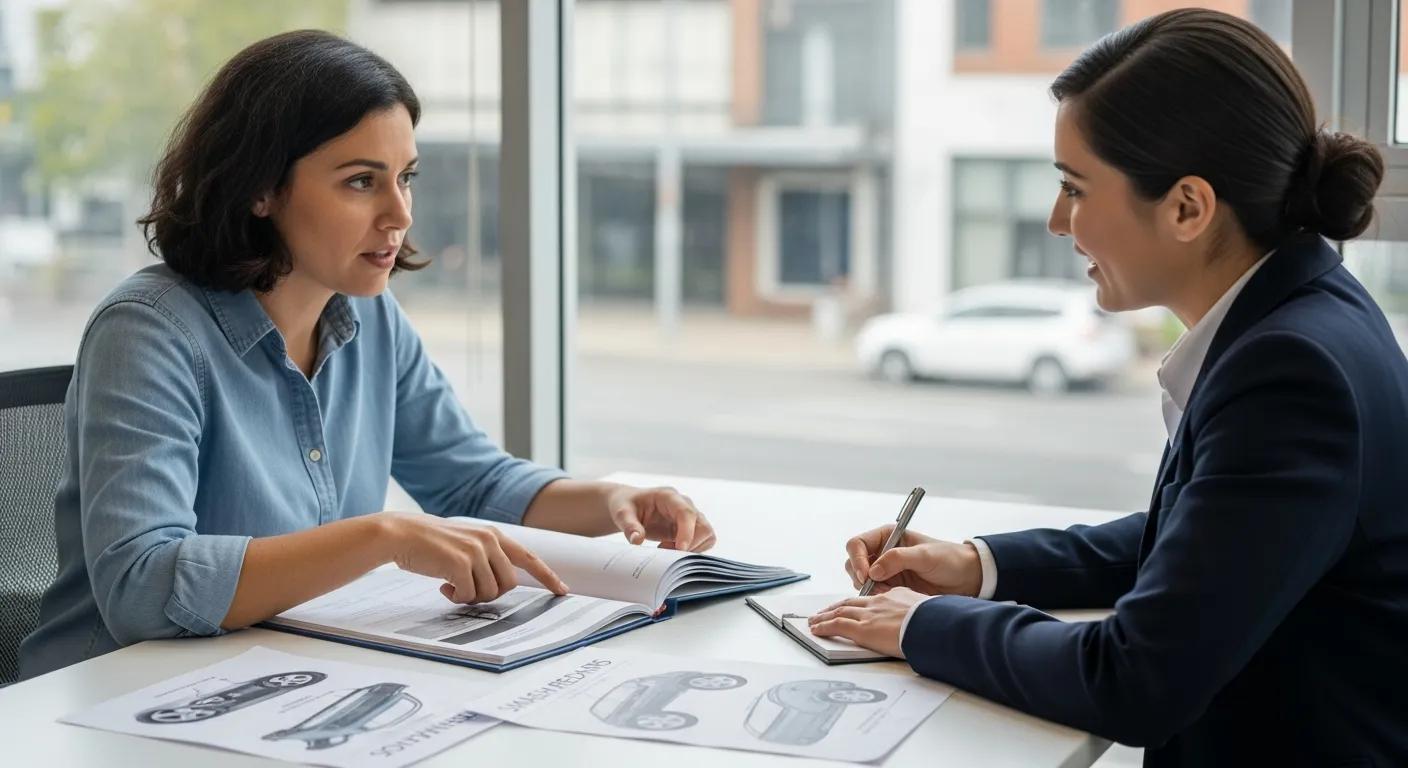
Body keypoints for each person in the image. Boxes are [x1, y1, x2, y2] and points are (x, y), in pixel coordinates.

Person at [808, 9, 1408, 765]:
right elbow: (1208, 541)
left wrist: (917, 626)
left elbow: (1135, 678)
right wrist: (980, 565)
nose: (1059, 222)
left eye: (1075, 189)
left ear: (1187, 207)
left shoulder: (1290, 372)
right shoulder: (1311, 308)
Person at [18, 30, 715, 680]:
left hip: (276, 679)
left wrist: (612, 498)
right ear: (260, 188)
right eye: (361, 181)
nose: (400, 213)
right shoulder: (148, 332)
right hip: (104, 696)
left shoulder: (371, 318)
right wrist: (382, 536)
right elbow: (143, 586)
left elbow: (471, 484)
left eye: (405, 177)